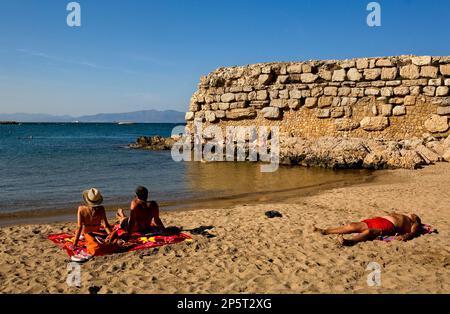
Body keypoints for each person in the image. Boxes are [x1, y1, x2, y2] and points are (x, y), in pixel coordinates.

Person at [314, 212, 423, 246]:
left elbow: (413, 233)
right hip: (379, 219)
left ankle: (350, 241)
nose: (412, 213)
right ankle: (325, 231)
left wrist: (405, 236)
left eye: (414, 214)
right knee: (352, 225)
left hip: (390, 226)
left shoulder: (415, 223)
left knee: (370, 232)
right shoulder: (402, 215)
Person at [73, 188, 124, 256]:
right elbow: (105, 225)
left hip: (86, 234)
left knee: (77, 232)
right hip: (97, 233)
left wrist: (75, 244)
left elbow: (79, 227)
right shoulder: (101, 209)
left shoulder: (81, 209)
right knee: (111, 230)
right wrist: (110, 236)